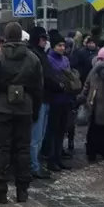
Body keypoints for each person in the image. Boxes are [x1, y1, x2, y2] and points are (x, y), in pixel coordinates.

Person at [0, 22, 43, 204]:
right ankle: (22, 190)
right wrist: (36, 110)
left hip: (2, 109)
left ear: (6, 37)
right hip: (25, 108)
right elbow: (39, 88)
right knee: (23, 149)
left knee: (1, 149)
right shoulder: (32, 59)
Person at [27, 27, 61, 179]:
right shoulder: (34, 54)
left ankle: (35, 164)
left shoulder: (40, 54)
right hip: (38, 99)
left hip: (45, 98)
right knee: (35, 136)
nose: (45, 41)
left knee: (39, 136)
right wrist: (58, 85)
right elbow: (45, 77)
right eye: (42, 38)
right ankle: (33, 166)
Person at [45, 31, 76, 172]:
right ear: (53, 46)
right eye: (59, 45)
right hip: (55, 100)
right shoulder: (49, 59)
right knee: (54, 131)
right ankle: (51, 159)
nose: (62, 48)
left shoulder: (65, 60)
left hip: (66, 99)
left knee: (62, 131)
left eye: (63, 45)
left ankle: (58, 158)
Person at [80, 47, 104, 162]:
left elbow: (87, 83)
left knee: (94, 129)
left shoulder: (94, 68)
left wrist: (83, 96)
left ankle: (92, 152)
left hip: (93, 102)